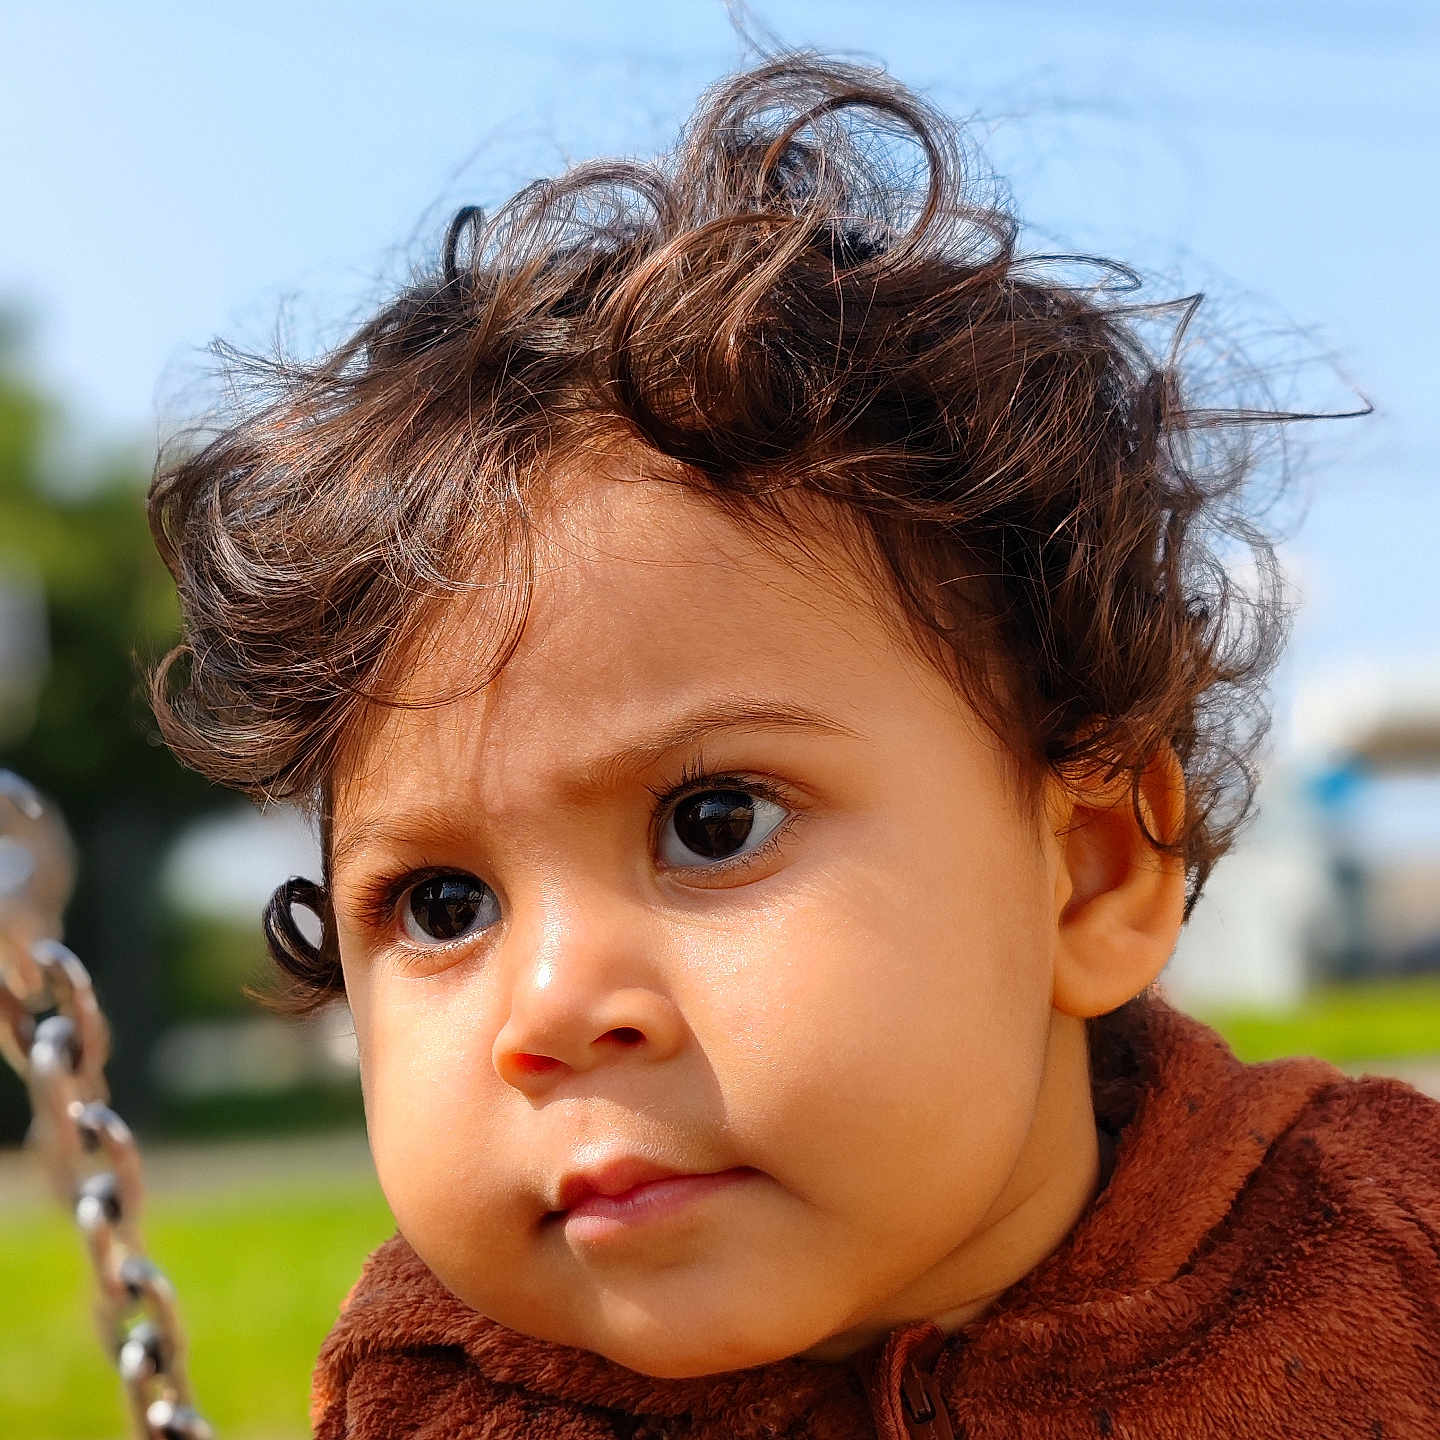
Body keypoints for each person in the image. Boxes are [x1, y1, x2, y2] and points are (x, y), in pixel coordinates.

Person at [145, 51, 1440, 1440]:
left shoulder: (1379, 1246)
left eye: (713, 823)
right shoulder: (449, 1401)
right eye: (443, 906)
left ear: (1088, 873)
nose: (554, 1011)